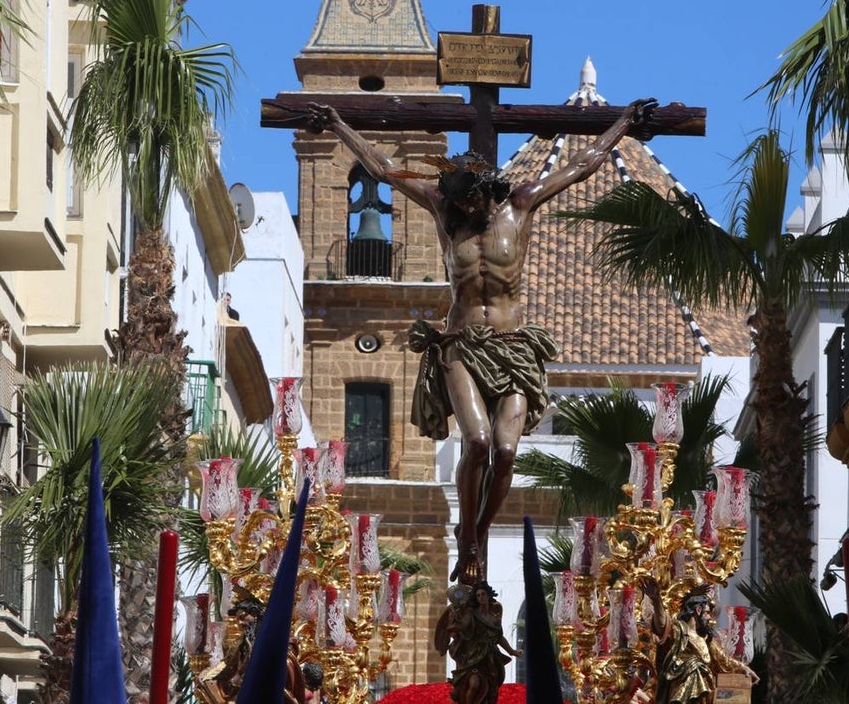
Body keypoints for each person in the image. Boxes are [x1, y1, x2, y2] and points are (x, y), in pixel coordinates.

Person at [305, 98, 657, 582]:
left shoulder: (522, 203)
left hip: (514, 347)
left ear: (488, 192)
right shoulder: (445, 211)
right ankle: (467, 534)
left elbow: (582, 165)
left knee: (508, 452)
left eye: (471, 201)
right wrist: (340, 123)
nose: (464, 210)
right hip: (461, 345)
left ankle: (478, 531)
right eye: (458, 202)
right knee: (476, 441)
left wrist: (623, 125)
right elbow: (385, 170)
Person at [641, 579, 758, 704]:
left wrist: (743, 668)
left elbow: (724, 659)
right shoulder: (679, 630)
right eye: (707, 613)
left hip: (705, 695)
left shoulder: (705, 639)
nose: (709, 618)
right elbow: (662, 625)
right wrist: (657, 600)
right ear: (697, 610)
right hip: (681, 694)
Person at [434, 581, 523, 704]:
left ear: (488, 595)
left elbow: (499, 637)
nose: (481, 597)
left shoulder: (494, 617)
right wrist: (456, 616)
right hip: (473, 657)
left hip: (490, 659)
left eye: (483, 594)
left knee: (491, 691)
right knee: (474, 684)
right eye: (478, 595)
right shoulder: (471, 614)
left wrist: (512, 651)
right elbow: (461, 627)